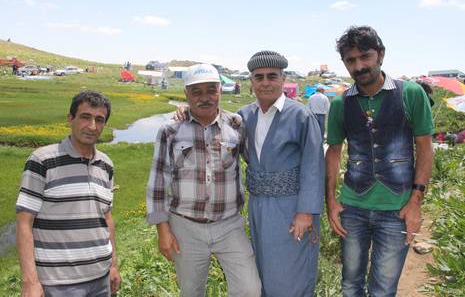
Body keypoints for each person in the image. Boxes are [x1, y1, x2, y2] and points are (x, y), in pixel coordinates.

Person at [325, 26, 434, 296]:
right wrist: (331, 201)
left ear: (381, 55)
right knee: (350, 284)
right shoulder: (340, 104)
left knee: (383, 289)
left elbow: (425, 148)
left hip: (396, 210)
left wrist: (415, 203)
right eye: (351, 60)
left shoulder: (410, 94)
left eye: (365, 57)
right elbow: (334, 151)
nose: (359, 66)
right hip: (353, 209)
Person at [146, 64, 261, 297]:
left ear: (220, 90)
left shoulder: (236, 124)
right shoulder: (171, 130)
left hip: (229, 225)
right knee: (191, 291)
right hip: (185, 226)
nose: (205, 97)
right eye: (196, 92)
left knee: (249, 290)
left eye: (211, 90)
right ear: (186, 94)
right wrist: (163, 231)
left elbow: (257, 164)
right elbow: (158, 182)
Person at [16, 91, 121, 296]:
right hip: (58, 282)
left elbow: (106, 217)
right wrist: (30, 281)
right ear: (70, 119)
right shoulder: (42, 160)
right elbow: (23, 222)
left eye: (99, 120)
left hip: (100, 278)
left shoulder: (106, 165)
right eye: (85, 117)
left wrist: (113, 265)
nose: (92, 126)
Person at [239, 51, 324, 296]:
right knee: (263, 271)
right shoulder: (244, 116)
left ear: (282, 78)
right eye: (259, 77)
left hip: (291, 209)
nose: (265, 82)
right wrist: (184, 113)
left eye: (272, 76)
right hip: (258, 207)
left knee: (290, 275)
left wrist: (306, 212)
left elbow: (313, 166)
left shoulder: (300, 115)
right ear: (251, 81)